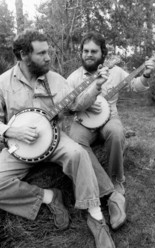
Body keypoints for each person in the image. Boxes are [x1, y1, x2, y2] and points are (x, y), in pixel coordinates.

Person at [0, 29, 127, 248]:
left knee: (78, 153)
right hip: (19, 148)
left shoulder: (56, 80)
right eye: (41, 53)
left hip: (56, 140)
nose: (48, 57)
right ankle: (49, 197)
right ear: (23, 55)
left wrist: (96, 87)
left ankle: (96, 216)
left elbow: (77, 104)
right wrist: (9, 132)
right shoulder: (3, 82)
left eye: (48, 52)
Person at [67, 31, 155, 195]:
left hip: (110, 117)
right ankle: (103, 185)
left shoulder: (115, 71)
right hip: (83, 121)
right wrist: (83, 104)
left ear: (103, 53)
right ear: (81, 53)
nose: (89, 55)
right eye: (85, 51)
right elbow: (68, 106)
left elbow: (135, 86)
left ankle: (116, 181)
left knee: (116, 132)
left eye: (94, 51)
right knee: (75, 142)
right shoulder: (73, 78)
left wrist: (146, 74)